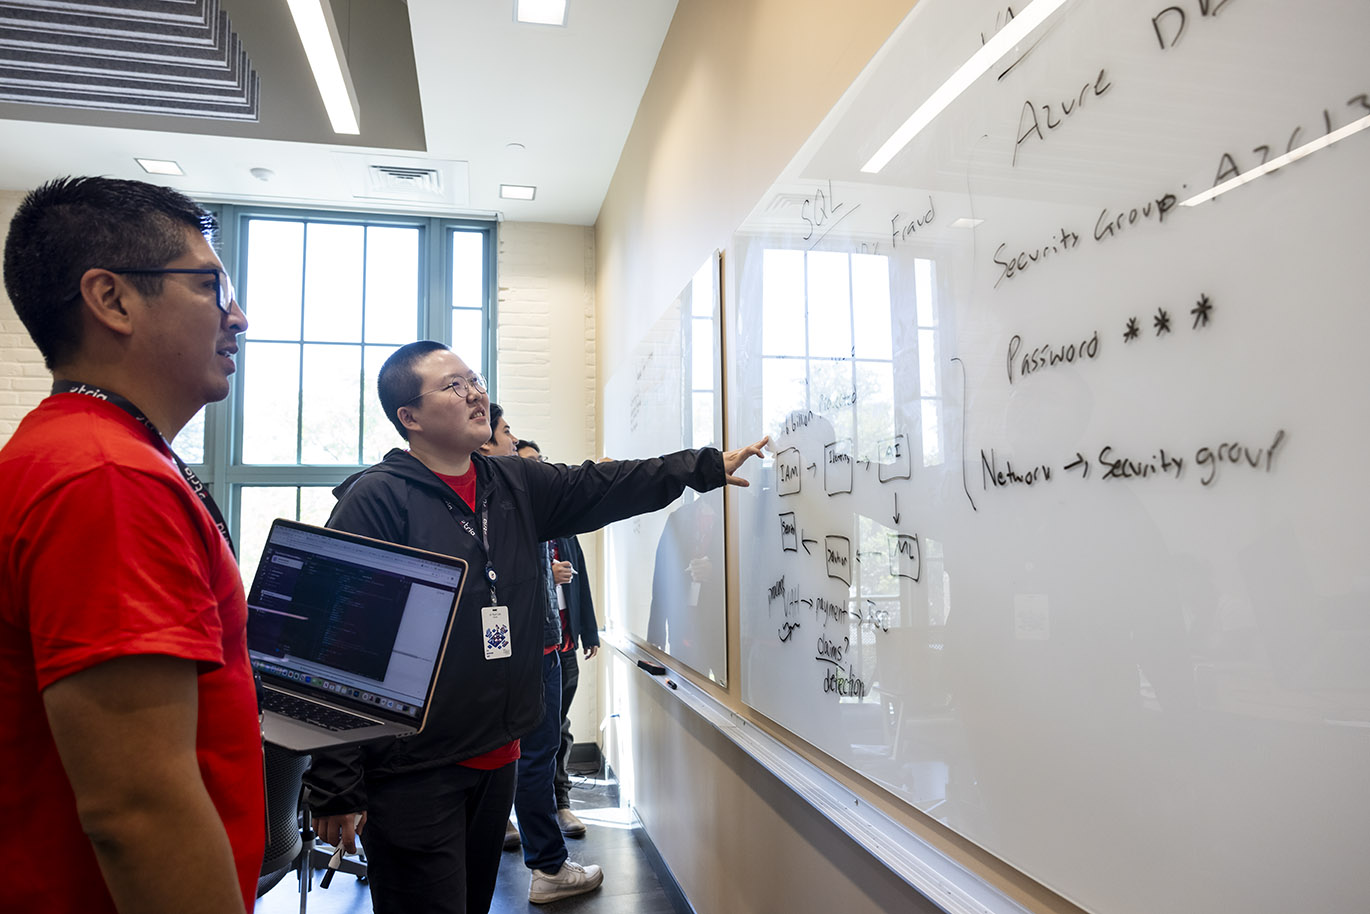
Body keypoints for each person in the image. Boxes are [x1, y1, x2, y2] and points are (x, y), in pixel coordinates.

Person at [303, 340, 767, 913]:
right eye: (453, 386)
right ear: (410, 417)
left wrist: (700, 467)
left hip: (497, 753)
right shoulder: (376, 500)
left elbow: (604, 484)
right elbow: (338, 647)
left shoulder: (512, 484)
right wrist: (335, 784)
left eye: (475, 379)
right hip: (414, 771)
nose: (476, 393)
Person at [0, 176, 264, 912]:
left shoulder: (68, 451)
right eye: (211, 286)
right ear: (111, 299)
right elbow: (137, 811)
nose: (237, 316)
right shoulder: (107, 479)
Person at [517, 438, 600, 837]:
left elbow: (581, 579)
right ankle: (514, 817)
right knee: (527, 736)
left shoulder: (561, 523)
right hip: (531, 646)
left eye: (543, 462)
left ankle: (561, 802)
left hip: (564, 642)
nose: (542, 471)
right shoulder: (514, 523)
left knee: (558, 728)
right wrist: (546, 574)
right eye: (532, 465)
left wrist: (589, 631)